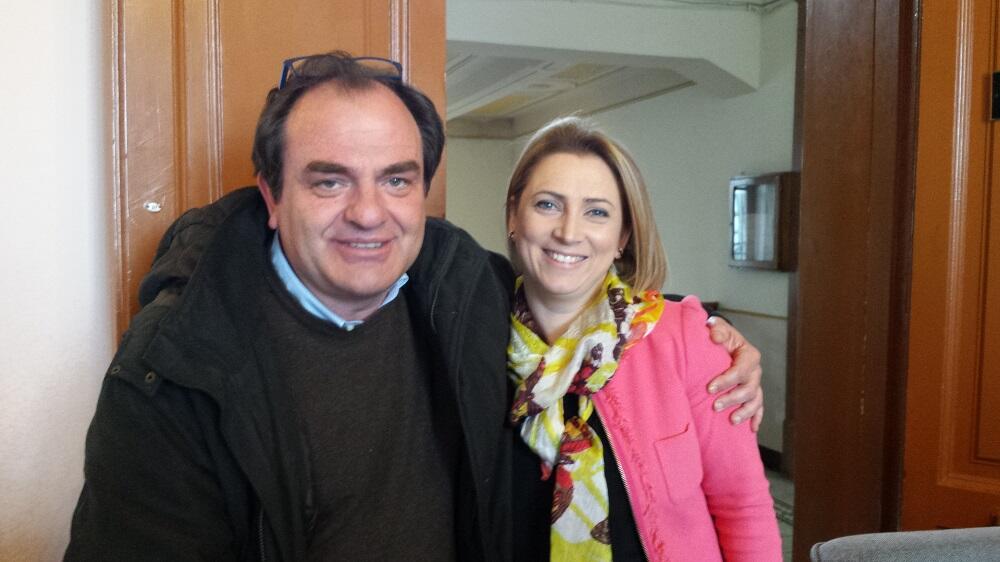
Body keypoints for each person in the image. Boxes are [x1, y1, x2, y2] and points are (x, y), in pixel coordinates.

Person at [66, 53, 764, 561]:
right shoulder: (174, 373)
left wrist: (705, 333)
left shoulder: (465, 292)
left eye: (397, 181)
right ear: (272, 196)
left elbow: (589, 309)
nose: (369, 213)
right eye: (330, 181)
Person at [505, 117, 782, 561]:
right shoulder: (475, 338)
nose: (569, 232)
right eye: (548, 205)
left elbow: (742, 507)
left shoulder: (687, 340)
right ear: (514, 216)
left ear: (623, 236)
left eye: (597, 212)